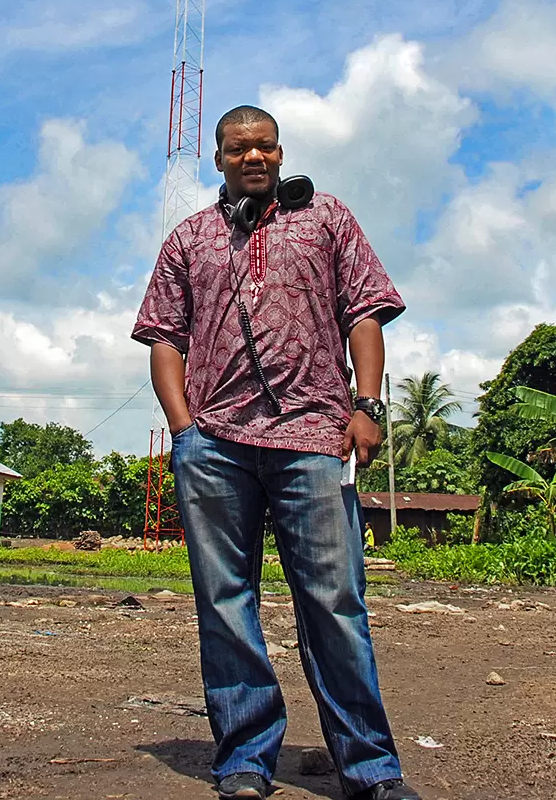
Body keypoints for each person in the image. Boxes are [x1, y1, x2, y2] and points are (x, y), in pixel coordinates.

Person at [132, 105, 420, 800]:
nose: (252, 157)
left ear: (281, 152)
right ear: (220, 158)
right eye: (238, 149)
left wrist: (368, 405)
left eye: (263, 147)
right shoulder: (190, 239)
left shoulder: (328, 218)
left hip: (315, 440)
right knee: (226, 603)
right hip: (218, 448)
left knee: (335, 605)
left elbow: (365, 312)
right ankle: (244, 758)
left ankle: (371, 770)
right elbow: (165, 336)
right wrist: (185, 431)